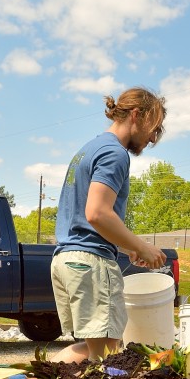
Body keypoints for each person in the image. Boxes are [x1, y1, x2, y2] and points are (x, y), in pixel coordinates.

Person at [48, 87, 168, 364]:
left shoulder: (90, 148)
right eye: (155, 128)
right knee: (108, 357)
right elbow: (97, 214)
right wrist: (141, 246)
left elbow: (84, 216)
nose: (153, 138)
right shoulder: (115, 153)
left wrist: (126, 247)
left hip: (68, 259)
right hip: (90, 263)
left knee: (95, 351)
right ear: (137, 114)